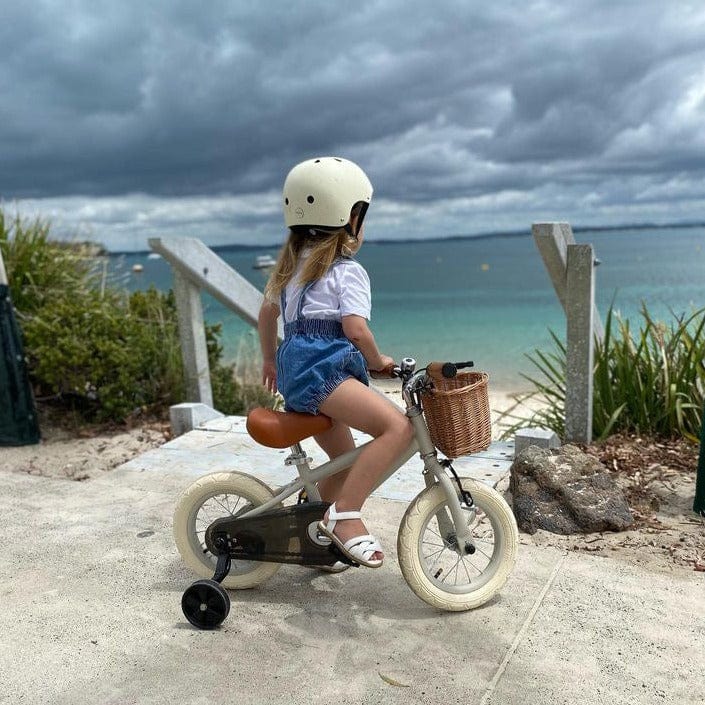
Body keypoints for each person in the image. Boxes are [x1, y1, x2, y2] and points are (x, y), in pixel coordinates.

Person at [258, 156, 413, 569]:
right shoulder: (348, 272)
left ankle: (313, 534)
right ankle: (345, 516)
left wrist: (271, 363)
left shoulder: (290, 269)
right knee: (397, 427)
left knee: (343, 459)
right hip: (325, 372)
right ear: (350, 217)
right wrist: (378, 361)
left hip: (297, 372)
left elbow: (266, 316)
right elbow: (356, 329)